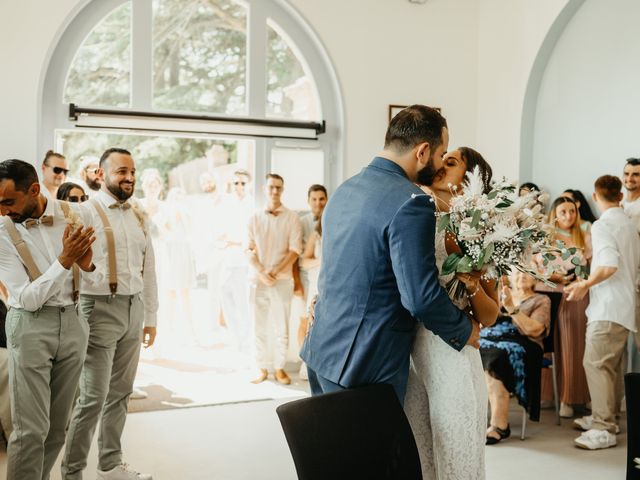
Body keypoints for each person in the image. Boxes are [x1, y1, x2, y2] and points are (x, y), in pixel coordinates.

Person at [300, 104, 478, 403]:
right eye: (440, 153)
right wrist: (465, 329)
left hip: (321, 350)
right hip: (365, 363)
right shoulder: (412, 202)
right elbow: (419, 296)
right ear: (422, 152)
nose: (440, 162)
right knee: (373, 451)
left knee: (331, 450)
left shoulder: (345, 189)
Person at [62, 148, 159, 480]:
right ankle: (72, 473)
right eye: (121, 171)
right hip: (98, 309)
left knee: (121, 393)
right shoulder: (86, 212)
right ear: (101, 175)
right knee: (91, 398)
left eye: (132, 171)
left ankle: (110, 465)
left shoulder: (140, 215)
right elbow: (76, 266)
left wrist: (151, 317)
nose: (129, 177)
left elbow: (149, 268)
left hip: (134, 308)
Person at [404, 146, 498, 479]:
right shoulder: (412, 211)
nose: (441, 164)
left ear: (470, 178)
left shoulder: (479, 231)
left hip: (454, 344)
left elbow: (489, 316)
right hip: (410, 345)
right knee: (419, 443)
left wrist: (471, 284)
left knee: (456, 440)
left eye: (452, 162)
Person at [0, 159, 95, 480]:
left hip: (73, 321)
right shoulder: (1, 232)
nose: (2, 210)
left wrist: (89, 265)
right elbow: (26, 298)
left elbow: (97, 271)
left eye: (8, 202)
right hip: (29, 326)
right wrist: (65, 260)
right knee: (29, 430)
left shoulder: (76, 213)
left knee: (58, 427)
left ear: (35, 190)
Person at [566, 175, 640, 450]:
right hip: (624, 307)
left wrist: (585, 283)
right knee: (611, 368)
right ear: (620, 196)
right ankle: (609, 418)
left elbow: (609, 265)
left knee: (596, 365)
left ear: (595, 197)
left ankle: (603, 428)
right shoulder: (629, 225)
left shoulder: (602, 225)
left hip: (608, 307)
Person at [481, 271, 551, 445]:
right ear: (510, 277)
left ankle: (499, 426)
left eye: (527, 273)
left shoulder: (541, 300)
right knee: (475, 349)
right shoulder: (501, 294)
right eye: (518, 273)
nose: (522, 276)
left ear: (536, 277)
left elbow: (535, 331)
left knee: (497, 356)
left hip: (525, 343)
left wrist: (512, 308)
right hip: (493, 338)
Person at [538, 196, 591, 418]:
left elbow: (589, 269)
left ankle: (571, 398)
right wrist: (556, 277)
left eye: (572, 211)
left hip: (574, 295)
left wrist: (577, 280)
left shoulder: (584, 235)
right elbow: (537, 266)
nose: (568, 216)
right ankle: (547, 395)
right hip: (548, 293)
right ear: (555, 214)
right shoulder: (545, 236)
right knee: (549, 345)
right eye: (563, 212)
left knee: (572, 346)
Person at [246, 173, 302, 385]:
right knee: (258, 327)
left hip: (282, 280)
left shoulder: (292, 217)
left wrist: (275, 272)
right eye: (271, 187)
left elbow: (295, 250)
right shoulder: (254, 217)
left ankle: (279, 368)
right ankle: (261, 368)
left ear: (283, 189)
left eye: (278, 187)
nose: (275, 191)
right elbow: (248, 248)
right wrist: (261, 272)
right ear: (265, 189)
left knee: (282, 327)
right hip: (257, 280)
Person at [218, 170, 253, 352]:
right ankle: (235, 337)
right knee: (226, 299)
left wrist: (235, 241)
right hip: (226, 259)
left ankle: (244, 342)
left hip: (242, 261)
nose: (239, 187)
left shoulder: (252, 206)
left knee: (242, 302)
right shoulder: (226, 203)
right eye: (236, 183)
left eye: (242, 183)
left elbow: (250, 237)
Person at [295, 184, 328, 379]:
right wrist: (321, 261)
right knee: (306, 321)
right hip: (312, 280)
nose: (318, 203)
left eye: (321, 199)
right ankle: (304, 362)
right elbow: (303, 260)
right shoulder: (312, 230)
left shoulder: (335, 226)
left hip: (328, 283)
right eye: (314, 199)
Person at [621, 157, 640, 374]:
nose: (630, 178)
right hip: (618, 280)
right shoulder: (618, 205)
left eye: (635, 174)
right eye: (627, 174)